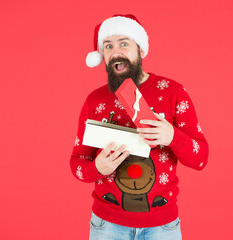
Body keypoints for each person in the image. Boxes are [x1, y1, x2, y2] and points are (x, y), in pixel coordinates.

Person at [70, 14, 209, 240]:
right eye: (108, 46)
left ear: (141, 50)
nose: (116, 51)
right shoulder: (94, 100)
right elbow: (76, 162)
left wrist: (173, 136)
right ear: (103, 55)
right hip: (106, 226)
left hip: (163, 227)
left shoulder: (173, 92)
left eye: (124, 43)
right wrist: (98, 168)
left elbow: (201, 158)